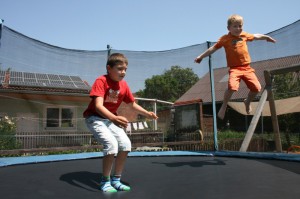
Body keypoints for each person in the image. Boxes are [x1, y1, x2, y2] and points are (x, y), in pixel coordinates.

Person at [83, 53, 158, 193]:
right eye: (119, 69)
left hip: (110, 119)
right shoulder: (101, 81)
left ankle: (116, 179)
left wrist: (147, 113)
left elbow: (132, 104)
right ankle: (105, 181)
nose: (123, 72)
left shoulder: (123, 85)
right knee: (111, 144)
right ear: (109, 68)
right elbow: (98, 106)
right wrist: (114, 118)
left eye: (125, 69)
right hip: (95, 118)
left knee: (125, 145)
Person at [194, 14, 276, 119]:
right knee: (232, 87)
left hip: (247, 68)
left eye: (240, 26)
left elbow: (256, 36)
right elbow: (213, 48)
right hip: (235, 69)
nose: (238, 29)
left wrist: (266, 37)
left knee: (257, 88)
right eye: (235, 26)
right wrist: (201, 56)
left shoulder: (244, 35)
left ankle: (247, 102)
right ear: (229, 28)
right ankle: (223, 106)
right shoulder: (225, 39)